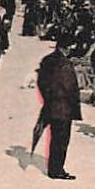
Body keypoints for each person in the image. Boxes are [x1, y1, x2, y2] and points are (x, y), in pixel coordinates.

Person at [31, 44, 82, 180]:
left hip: (52, 104)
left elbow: (42, 82)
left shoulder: (48, 60)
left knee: (55, 138)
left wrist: (48, 97)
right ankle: (56, 169)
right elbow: (69, 86)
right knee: (62, 139)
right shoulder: (63, 65)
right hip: (63, 106)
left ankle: (55, 168)